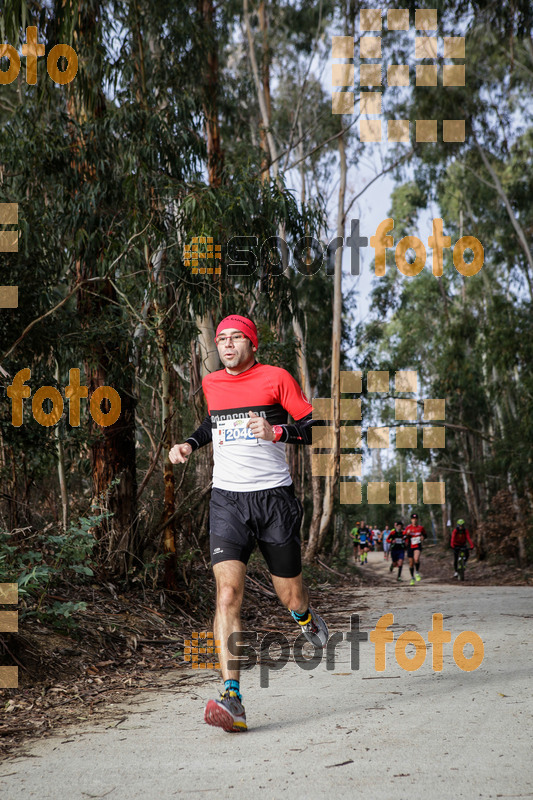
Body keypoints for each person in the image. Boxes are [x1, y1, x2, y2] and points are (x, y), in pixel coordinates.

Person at [169, 314, 328, 733]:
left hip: (274, 499)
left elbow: (315, 427)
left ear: (252, 344)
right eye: (221, 339)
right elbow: (213, 423)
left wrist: (277, 431)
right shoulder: (212, 383)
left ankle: (306, 617)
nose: (227, 344)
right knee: (226, 595)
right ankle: (232, 696)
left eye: (236, 337)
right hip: (227, 501)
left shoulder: (277, 378)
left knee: (291, 596)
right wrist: (190, 443)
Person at [403, 512, 427, 585]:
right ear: (411, 520)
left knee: (416, 559)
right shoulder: (408, 528)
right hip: (410, 546)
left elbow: (425, 535)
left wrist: (423, 537)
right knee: (411, 563)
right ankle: (412, 577)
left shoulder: (420, 528)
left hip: (417, 545)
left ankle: (417, 572)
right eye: (413, 519)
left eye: (415, 519)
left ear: (417, 519)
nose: (414, 520)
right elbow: (403, 537)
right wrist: (407, 534)